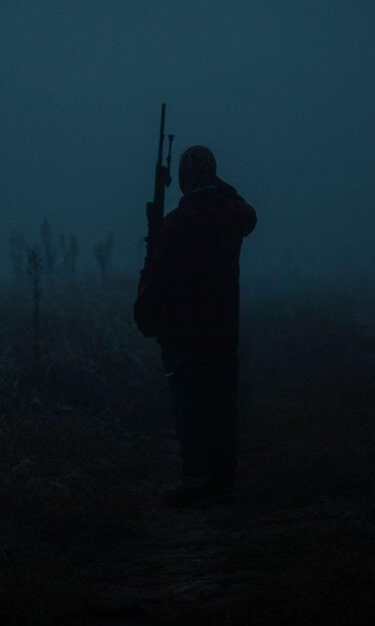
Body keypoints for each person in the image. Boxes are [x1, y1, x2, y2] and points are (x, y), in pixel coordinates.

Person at [134, 145, 257, 507]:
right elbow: (249, 212)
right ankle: (223, 479)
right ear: (213, 176)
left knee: (190, 406)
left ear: (185, 180)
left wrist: (145, 313)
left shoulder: (176, 224)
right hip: (222, 329)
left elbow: (157, 276)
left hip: (182, 333)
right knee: (222, 404)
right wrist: (217, 183)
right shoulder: (232, 216)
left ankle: (196, 481)